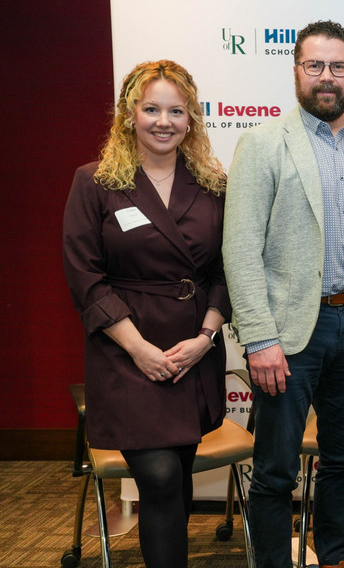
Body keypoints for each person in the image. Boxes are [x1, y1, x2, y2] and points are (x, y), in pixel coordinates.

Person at [222, 20, 344, 568]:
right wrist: (258, 338)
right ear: (297, 70)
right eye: (315, 66)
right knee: (276, 467)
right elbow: (240, 248)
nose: (327, 78)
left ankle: (335, 558)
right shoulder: (262, 143)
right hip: (287, 332)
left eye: (338, 67)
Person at [62, 60, 229, 568]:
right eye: (151, 108)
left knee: (176, 475)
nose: (164, 121)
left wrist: (206, 336)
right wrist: (139, 350)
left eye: (175, 111)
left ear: (190, 118)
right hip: (126, 351)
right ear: (129, 114)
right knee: (157, 478)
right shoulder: (94, 181)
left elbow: (228, 269)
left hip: (191, 349)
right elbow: (84, 275)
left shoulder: (212, 183)